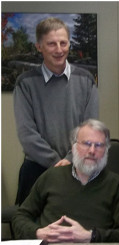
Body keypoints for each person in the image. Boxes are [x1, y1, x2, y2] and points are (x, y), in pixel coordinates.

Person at [13, 17, 99, 205]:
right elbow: (26, 134)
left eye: (63, 43)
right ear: (39, 46)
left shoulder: (86, 80)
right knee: (32, 231)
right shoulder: (25, 83)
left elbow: (90, 129)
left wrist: (70, 159)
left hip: (79, 168)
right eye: (51, 44)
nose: (59, 49)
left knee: (78, 231)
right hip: (36, 171)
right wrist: (56, 163)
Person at [12, 119, 119, 243]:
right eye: (86, 143)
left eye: (99, 145)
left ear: (106, 151)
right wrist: (38, 232)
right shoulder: (51, 176)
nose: (92, 151)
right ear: (73, 147)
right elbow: (20, 217)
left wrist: (91, 236)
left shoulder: (116, 185)